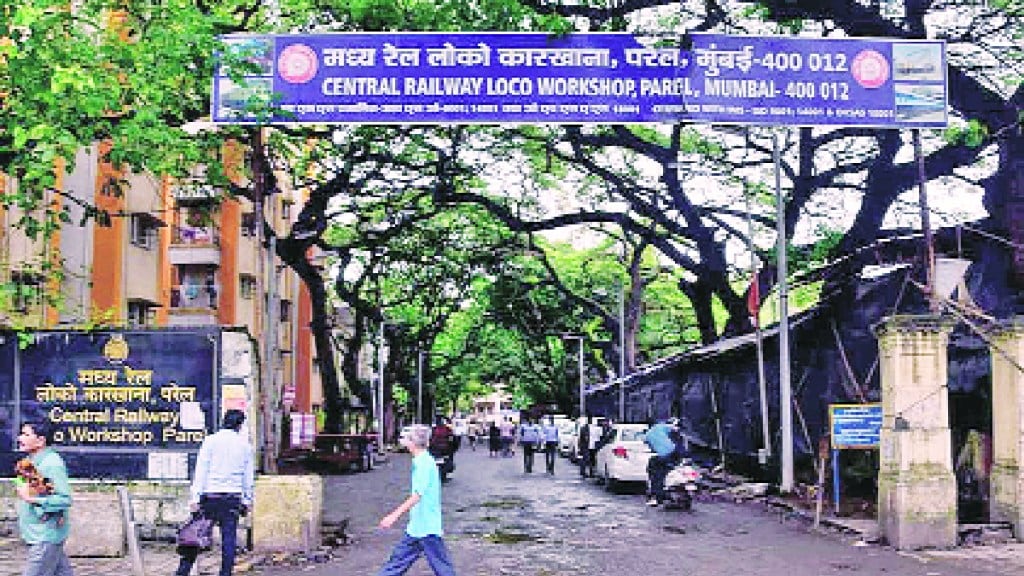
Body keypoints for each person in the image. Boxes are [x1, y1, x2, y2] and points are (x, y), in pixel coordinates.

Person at [177, 409, 254, 576]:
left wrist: (195, 497)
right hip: (232, 497)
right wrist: (247, 501)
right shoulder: (245, 446)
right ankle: (225, 573)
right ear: (240, 425)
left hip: (210, 496)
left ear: (223, 421)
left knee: (197, 533)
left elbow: (201, 470)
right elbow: (248, 477)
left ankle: (182, 572)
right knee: (229, 540)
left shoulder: (210, 441)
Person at [376, 425, 457, 576]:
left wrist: (394, 515)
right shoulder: (422, 460)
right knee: (397, 563)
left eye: (405, 438)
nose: (402, 441)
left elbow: (417, 495)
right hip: (419, 526)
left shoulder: (423, 463)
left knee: (441, 568)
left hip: (426, 526)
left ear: (412, 442)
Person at [15, 419, 73, 576]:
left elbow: (64, 499)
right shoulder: (30, 463)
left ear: (41, 440)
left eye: (26, 434)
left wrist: (32, 499)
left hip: (46, 535)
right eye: (21, 434)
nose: (20, 438)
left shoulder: (52, 464)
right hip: (39, 534)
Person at [644, 417, 682, 507]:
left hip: (664, 456)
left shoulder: (647, 435)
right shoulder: (661, 427)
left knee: (654, 472)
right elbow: (675, 429)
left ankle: (657, 496)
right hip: (675, 452)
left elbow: (652, 448)